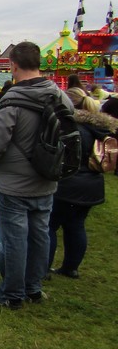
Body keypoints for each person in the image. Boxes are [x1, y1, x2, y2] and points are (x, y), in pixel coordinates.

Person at [0, 41, 74, 309]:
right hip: (46, 179)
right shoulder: (59, 96)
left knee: (14, 239)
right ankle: (34, 287)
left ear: (14, 65)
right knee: (40, 235)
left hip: (12, 183)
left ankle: (11, 293)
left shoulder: (12, 101)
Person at [48, 87, 117, 278]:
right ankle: (71, 267)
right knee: (76, 225)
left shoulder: (71, 128)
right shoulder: (100, 128)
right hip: (92, 184)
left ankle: (43, 267)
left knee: (50, 226)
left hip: (69, 184)